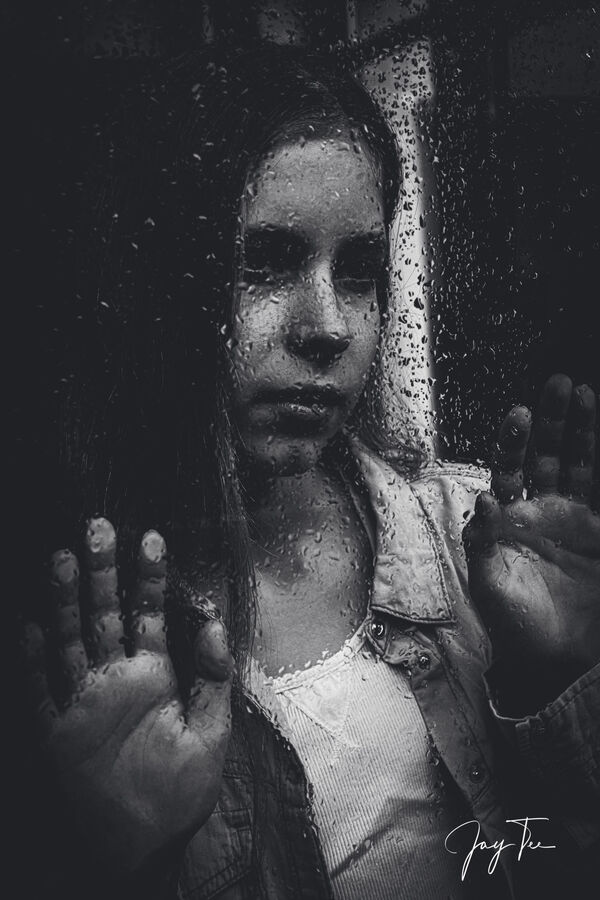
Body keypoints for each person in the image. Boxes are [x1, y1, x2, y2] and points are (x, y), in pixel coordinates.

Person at [21, 46, 599, 900]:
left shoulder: (469, 541)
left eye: (360, 272)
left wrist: (553, 678)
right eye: (264, 262)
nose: (328, 326)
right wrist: (123, 865)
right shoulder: (82, 652)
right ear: (162, 292)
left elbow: (548, 858)